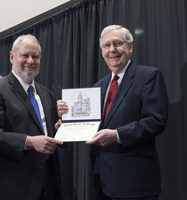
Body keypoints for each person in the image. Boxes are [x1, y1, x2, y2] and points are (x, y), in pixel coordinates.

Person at [58, 25, 168, 200]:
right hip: (102, 181)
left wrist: (117, 135)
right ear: (102, 51)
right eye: (106, 45)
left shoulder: (148, 76)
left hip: (135, 183)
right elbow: (91, 126)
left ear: (130, 47)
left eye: (117, 43)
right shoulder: (97, 87)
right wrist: (67, 124)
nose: (112, 50)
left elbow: (156, 121)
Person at [0, 34, 63, 200]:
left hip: (48, 183)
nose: (30, 61)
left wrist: (59, 131)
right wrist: (29, 142)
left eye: (35, 57)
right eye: (25, 55)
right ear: (12, 57)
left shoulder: (47, 94)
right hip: (12, 186)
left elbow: (46, 133)